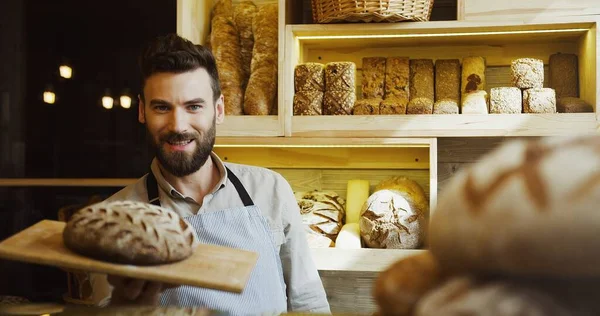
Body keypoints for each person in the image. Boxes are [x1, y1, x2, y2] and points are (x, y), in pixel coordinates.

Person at [103, 33, 331, 315]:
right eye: (162, 107)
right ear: (142, 111)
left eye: (194, 106)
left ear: (219, 109)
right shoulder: (115, 218)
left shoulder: (269, 190)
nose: (178, 125)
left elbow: (308, 303)